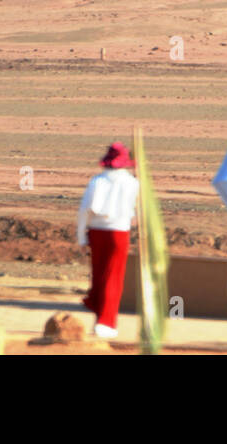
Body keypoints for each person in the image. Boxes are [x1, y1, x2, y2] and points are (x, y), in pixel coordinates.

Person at [77, 142, 139, 340]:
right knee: (113, 277)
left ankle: (100, 319)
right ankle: (106, 322)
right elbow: (135, 213)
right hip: (118, 232)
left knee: (99, 275)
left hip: (97, 231)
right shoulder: (132, 182)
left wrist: (81, 235)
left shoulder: (98, 181)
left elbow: (85, 210)